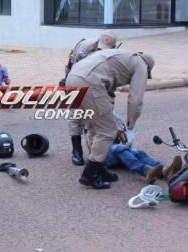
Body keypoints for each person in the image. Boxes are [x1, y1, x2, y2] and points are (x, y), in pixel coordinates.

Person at [66, 48, 155, 189]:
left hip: (72, 78)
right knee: (108, 130)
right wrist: (131, 125)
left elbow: (108, 88)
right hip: (89, 82)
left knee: (95, 126)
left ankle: (100, 169)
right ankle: (89, 174)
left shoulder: (123, 56)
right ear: (148, 66)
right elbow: (135, 100)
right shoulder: (141, 65)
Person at [67, 30, 117, 166]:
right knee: (76, 115)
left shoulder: (113, 55)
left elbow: (110, 79)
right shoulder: (85, 48)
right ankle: (76, 151)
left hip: (96, 85)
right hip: (76, 79)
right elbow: (72, 67)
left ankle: (94, 154)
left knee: (94, 118)